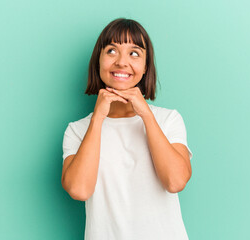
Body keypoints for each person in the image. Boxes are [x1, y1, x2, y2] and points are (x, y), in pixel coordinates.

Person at [61, 18, 193, 240]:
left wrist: (146, 115)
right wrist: (98, 118)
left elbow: (175, 181)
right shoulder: (77, 130)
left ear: (145, 68)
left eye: (134, 53)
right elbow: (79, 190)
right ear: (98, 61)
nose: (122, 62)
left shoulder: (168, 119)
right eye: (112, 51)